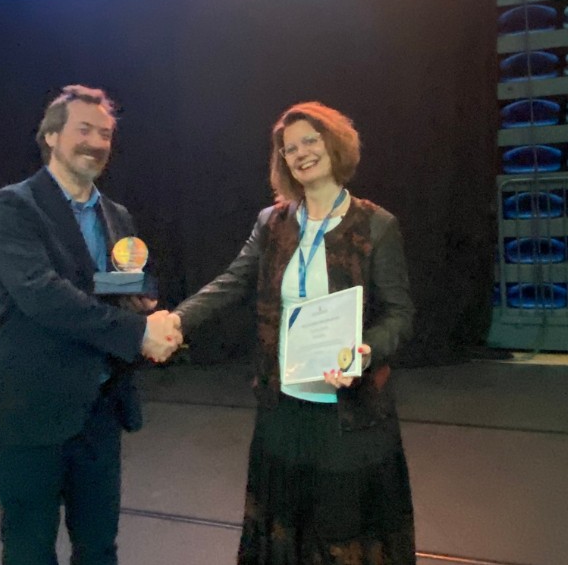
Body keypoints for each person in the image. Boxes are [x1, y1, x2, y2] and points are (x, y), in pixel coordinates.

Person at [174, 101, 417, 564]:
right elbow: (232, 282)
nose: (301, 153)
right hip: (283, 408)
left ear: (334, 143)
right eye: (290, 149)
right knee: (285, 535)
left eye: (310, 140)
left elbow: (400, 315)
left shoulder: (376, 225)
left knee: (343, 535)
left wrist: (363, 354)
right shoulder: (272, 223)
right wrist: (176, 320)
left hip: (349, 413)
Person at [0, 84, 182, 565]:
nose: (96, 143)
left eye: (105, 134)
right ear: (50, 136)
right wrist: (138, 333)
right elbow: (43, 295)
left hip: (99, 412)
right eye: (83, 130)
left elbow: (114, 284)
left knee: (99, 549)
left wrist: (145, 301)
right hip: (30, 412)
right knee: (29, 551)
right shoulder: (11, 206)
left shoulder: (117, 216)